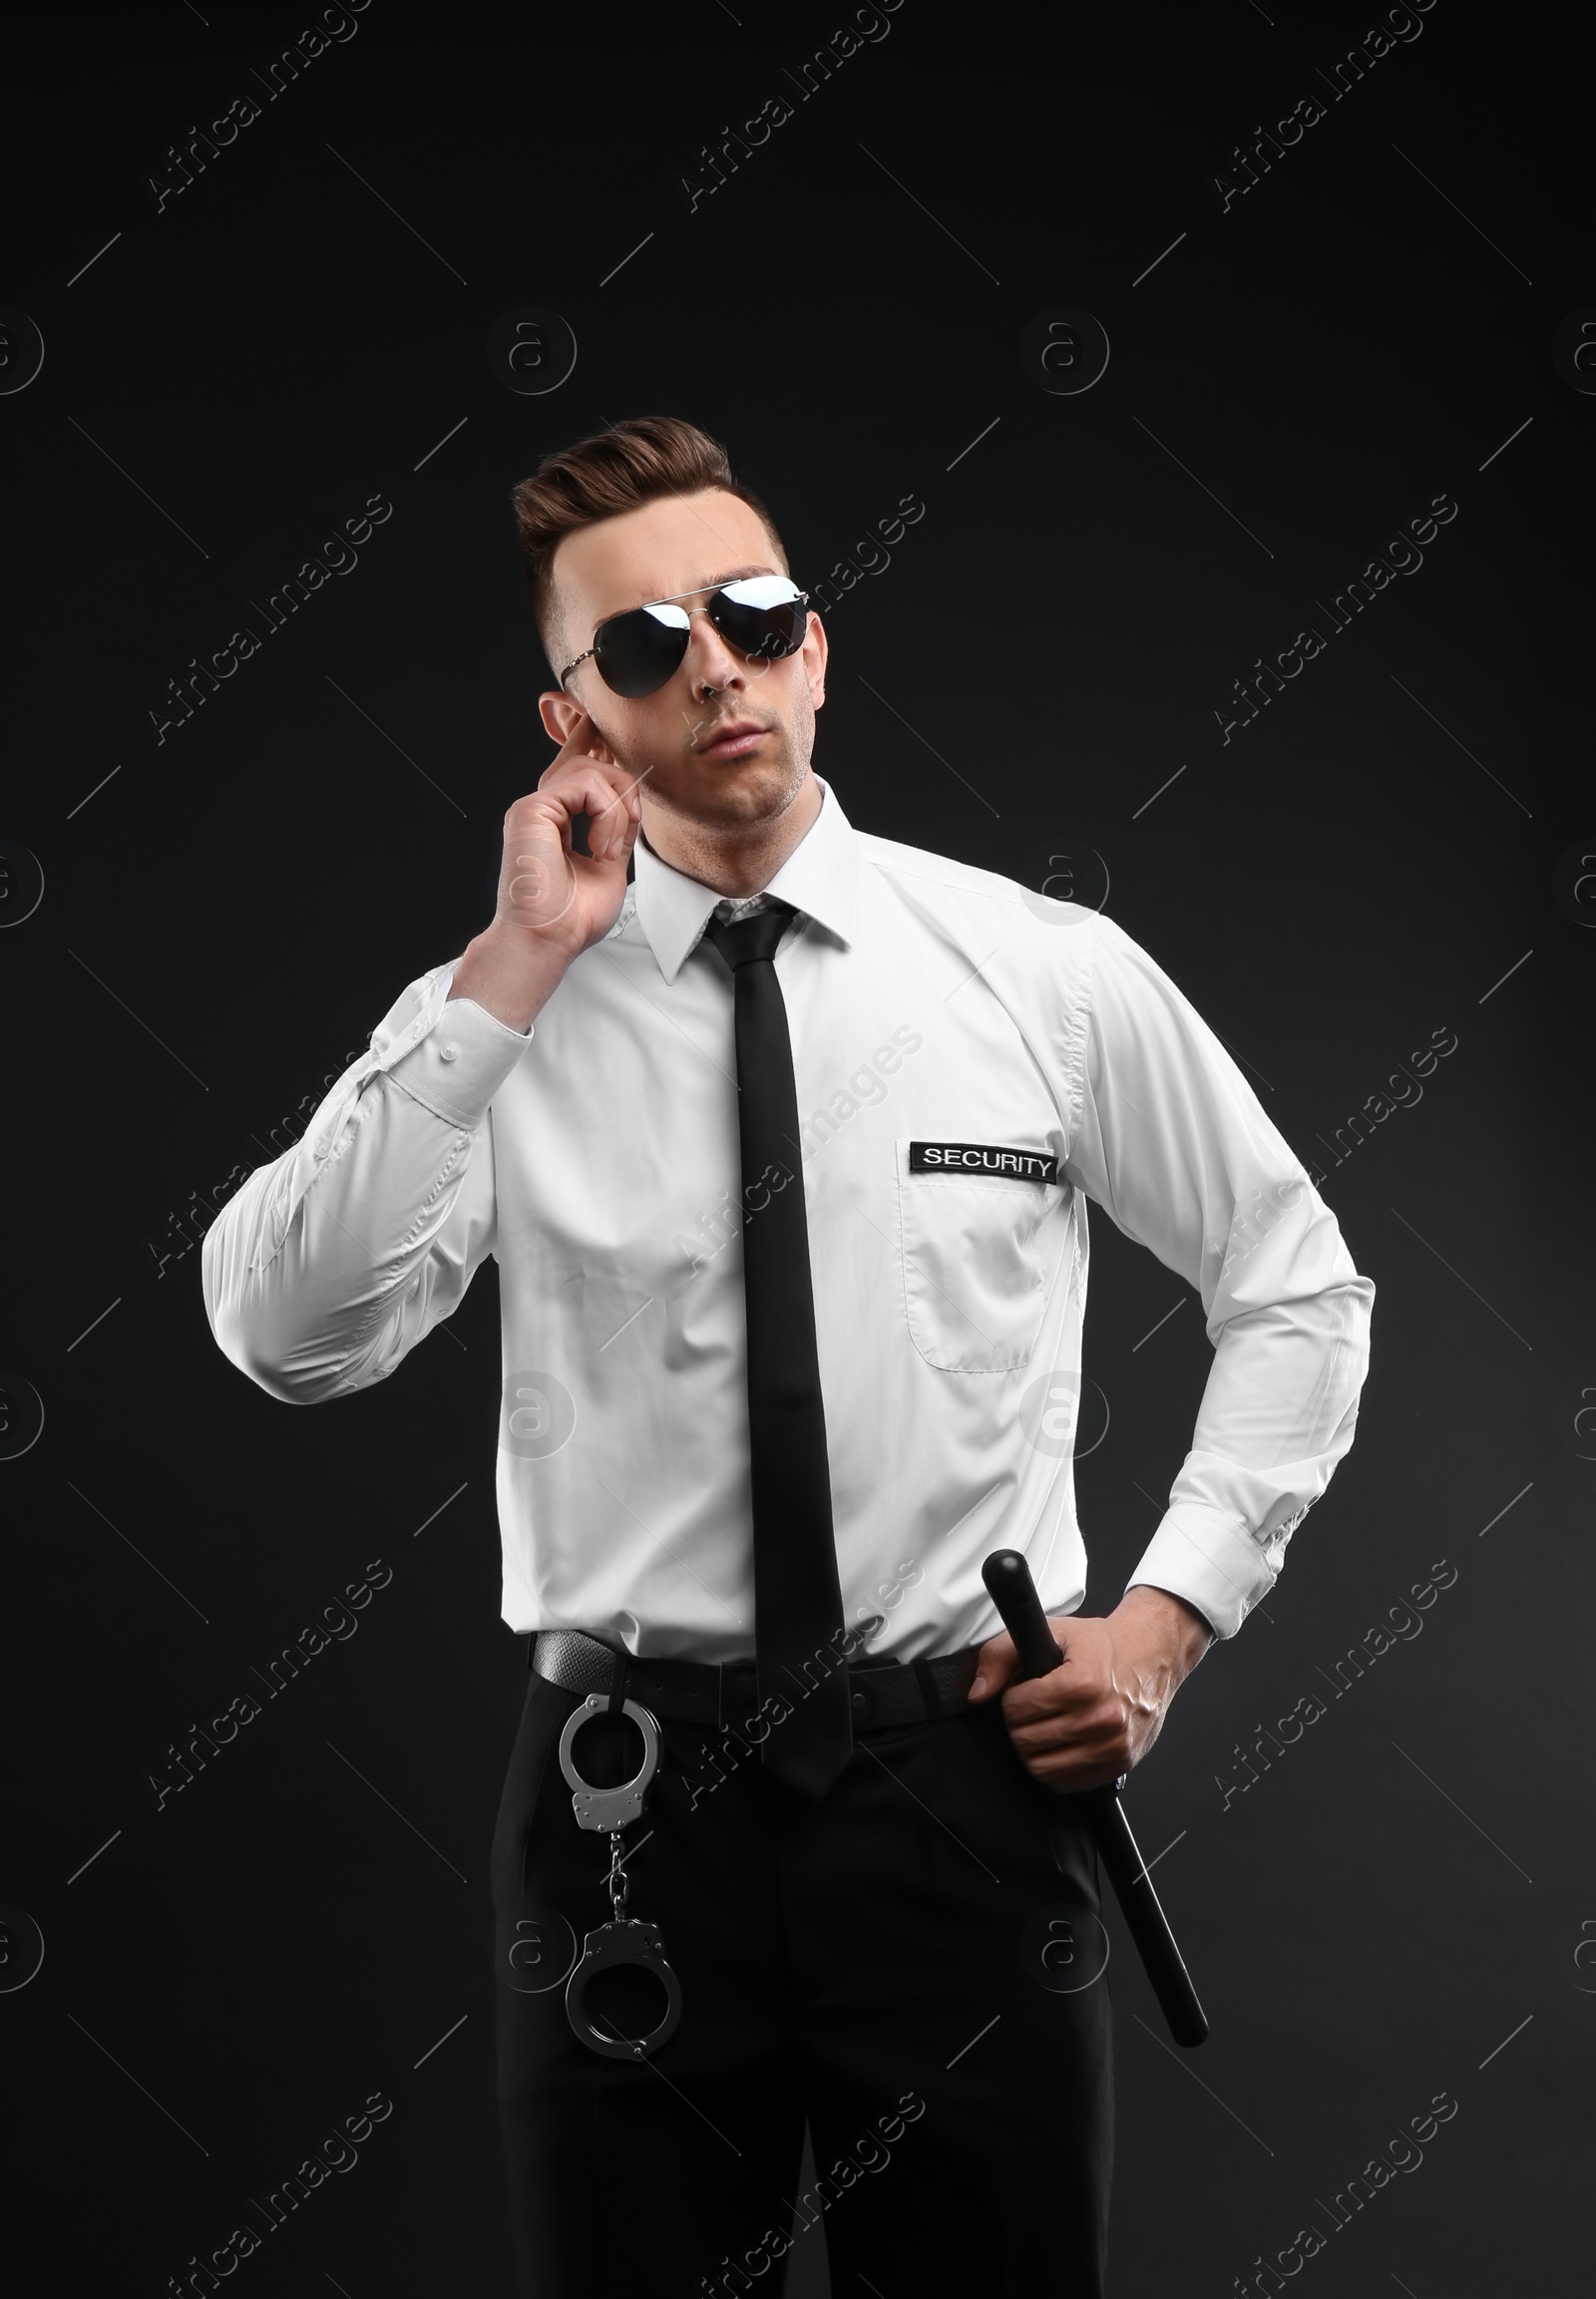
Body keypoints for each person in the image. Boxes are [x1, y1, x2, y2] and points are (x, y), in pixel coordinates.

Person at [202, 415, 1375, 2297]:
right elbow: (285, 1334)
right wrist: (508, 973)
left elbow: (1298, 1285)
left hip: (962, 1807)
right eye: (647, 646)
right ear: (574, 718)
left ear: (815, 645)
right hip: (622, 1818)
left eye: (752, 613)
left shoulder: (1037, 970)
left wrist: (1159, 1631)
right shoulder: (495, 1016)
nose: (718, 665)